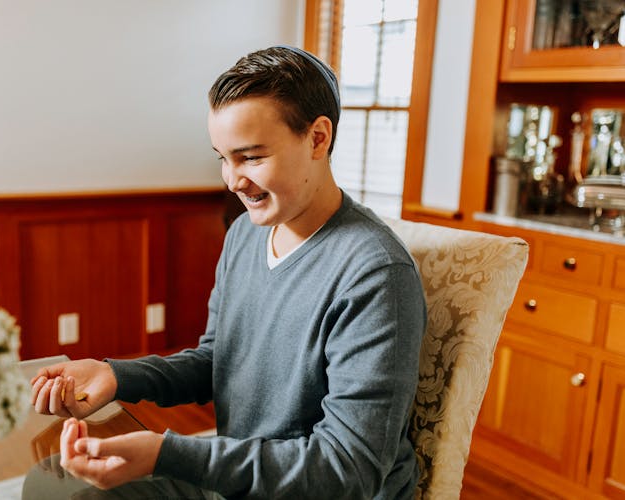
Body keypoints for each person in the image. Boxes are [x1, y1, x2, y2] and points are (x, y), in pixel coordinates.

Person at [30, 45, 426, 499]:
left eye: (251, 157)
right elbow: (220, 359)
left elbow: (347, 470)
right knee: (51, 488)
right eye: (223, 157)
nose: (232, 180)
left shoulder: (376, 274)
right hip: (238, 477)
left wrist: (165, 453)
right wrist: (117, 376)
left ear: (318, 138)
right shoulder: (245, 234)